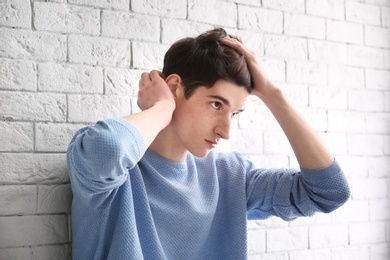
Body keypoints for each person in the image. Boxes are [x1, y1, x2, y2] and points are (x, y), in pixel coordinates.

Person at [67, 28, 350, 260]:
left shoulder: (229, 176)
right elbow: (108, 147)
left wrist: (273, 95)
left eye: (235, 113)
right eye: (216, 104)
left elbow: (329, 192)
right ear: (175, 87)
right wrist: (163, 107)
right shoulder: (113, 174)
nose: (226, 131)